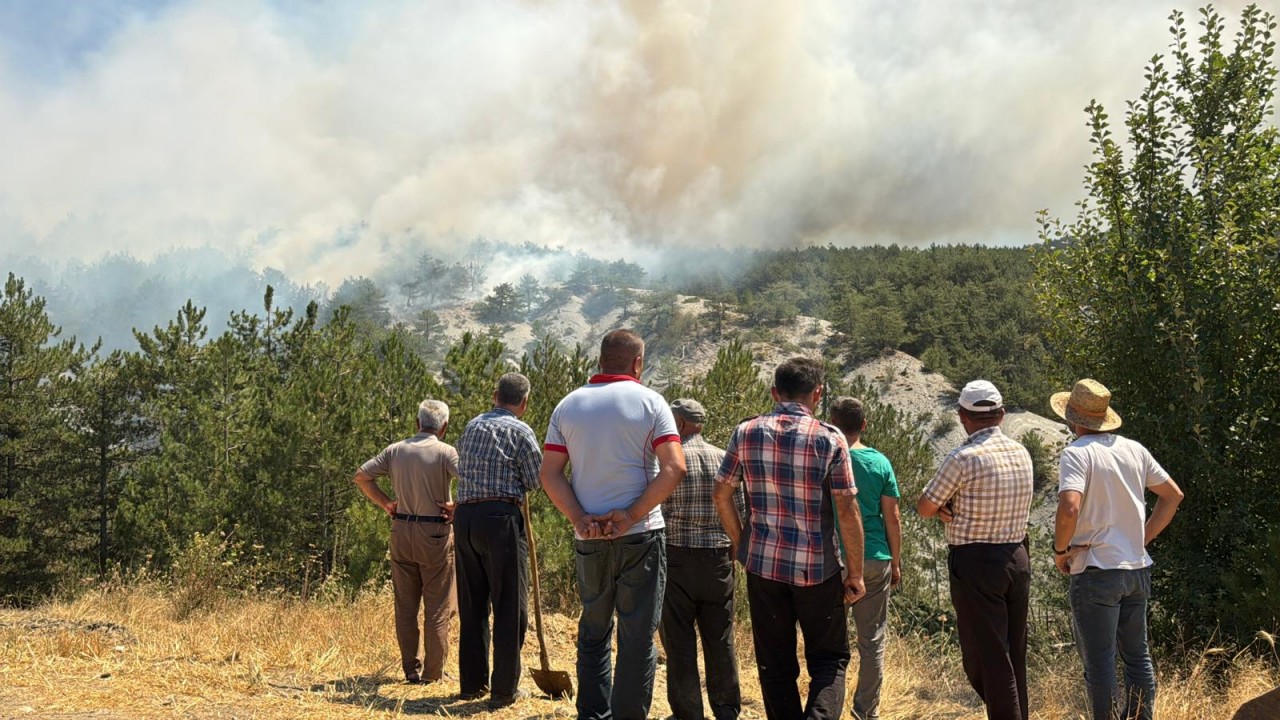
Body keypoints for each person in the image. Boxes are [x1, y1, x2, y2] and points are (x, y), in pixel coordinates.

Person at [539, 329, 688, 720]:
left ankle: (592, 714)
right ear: (638, 363)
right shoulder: (651, 402)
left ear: (600, 359)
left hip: (588, 537)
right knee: (637, 638)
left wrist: (579, 518)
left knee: (593, 632)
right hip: (639, 535)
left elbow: (550, 473)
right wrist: (631, 515)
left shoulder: (568, 406)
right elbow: (674, 468)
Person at [714, 357, 866, 720]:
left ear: (773, 392)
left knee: (775, 664)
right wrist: (856, 574)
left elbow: (721, 493)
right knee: (829, 660)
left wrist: (742, 544)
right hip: (817, 570)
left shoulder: (746, 431)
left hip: (763, 568)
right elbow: (846, 510)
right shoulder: (830, 438)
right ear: (818, 393)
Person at [1050, 379, 1184, 720]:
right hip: (1136, 568)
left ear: (1073, 419)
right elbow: (1173, 496)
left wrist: (1060, 550)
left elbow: (1069, 507)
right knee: (1138, 658)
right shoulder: (1133, 449)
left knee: (1100, 665)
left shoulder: (1076, 453)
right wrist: (1141, 539)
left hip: (1096, 570)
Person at [917, 380, 1033, 720]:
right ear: (1002, 415)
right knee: (1014, 653)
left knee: (987, 656)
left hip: (976, 562)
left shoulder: (963, 457)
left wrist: (943, 508)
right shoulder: (1022, 452)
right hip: (1017, 556)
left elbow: (925, 506)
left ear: (962, 417)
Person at [453, 372, 543, 708]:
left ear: (495, 395)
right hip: (499, 519)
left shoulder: (473, 425)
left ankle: (472, 684)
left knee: (473, 604)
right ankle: (503, 689)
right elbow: (535, 478)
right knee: (510, 607)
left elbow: (465, 466)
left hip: (464, 519)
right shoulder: (521, 430)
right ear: (525, 402)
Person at [353, 399, 458, 685]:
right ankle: (433, 674)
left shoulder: (395, 450)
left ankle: (411, 669)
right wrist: (457, 506)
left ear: (417, 423)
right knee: (437, 607)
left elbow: (362, 477)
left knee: (406, 605)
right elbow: (473, 481)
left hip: (401, 530)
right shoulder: (446, 452)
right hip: (434, 533)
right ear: (444, 427)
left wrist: (386, 503)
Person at [659, 398, 744, 720]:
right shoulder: (725, 460)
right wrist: (733, 553)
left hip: (677, 557)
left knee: (679, 640)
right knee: (720, 637)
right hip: (718, 559)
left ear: (679, 424)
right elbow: (742, 514)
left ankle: (688, 712)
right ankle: (725, 709)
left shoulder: (669, 463)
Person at [828, 397, 901, 720]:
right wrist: (896, 562)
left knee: (830, 644)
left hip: (833, 559)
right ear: (864, 425)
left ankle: (827, 707)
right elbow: (893, 518)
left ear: (831, 423)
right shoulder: (880, 463)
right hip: (875, 557)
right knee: (871, 642)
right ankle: (864, 713)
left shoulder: (826, 458)